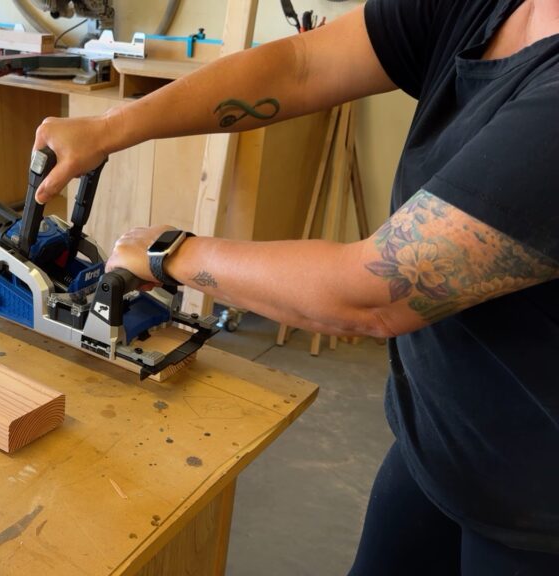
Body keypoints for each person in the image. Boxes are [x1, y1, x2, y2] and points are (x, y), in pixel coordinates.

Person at [32, 0, 559, 573]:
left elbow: (373, 293)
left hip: (539, 505)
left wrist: (171, 254)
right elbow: (301, 64)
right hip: (443, 441)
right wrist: (109, 127)